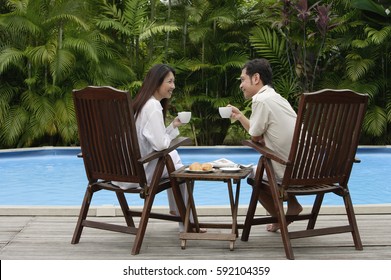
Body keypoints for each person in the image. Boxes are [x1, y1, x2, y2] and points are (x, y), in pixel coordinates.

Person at [115, 63, 203, 233]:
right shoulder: (153, 106)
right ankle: (185, 219)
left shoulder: (140, 105)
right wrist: (171, 134)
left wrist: (172, 127)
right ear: (157, 82)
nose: (173, 86)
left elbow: (155, 139)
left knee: (174, 159)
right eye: (170, 82)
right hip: (140, 174)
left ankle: (180, 213)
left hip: (121, 174)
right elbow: (161, 144)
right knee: (180, 168)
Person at [228, 58, 303, 232]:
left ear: (256, 78)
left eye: (242, 80)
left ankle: (280, 218)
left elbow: (255, 137)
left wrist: (256, 138)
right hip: (307, 169)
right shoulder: (277, 98)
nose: (241, 85)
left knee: (253, 175)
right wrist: (240, 117)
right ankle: (292, 205)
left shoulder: (261, 100)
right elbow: (260, 133)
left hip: (288, 171)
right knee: (273, 161)